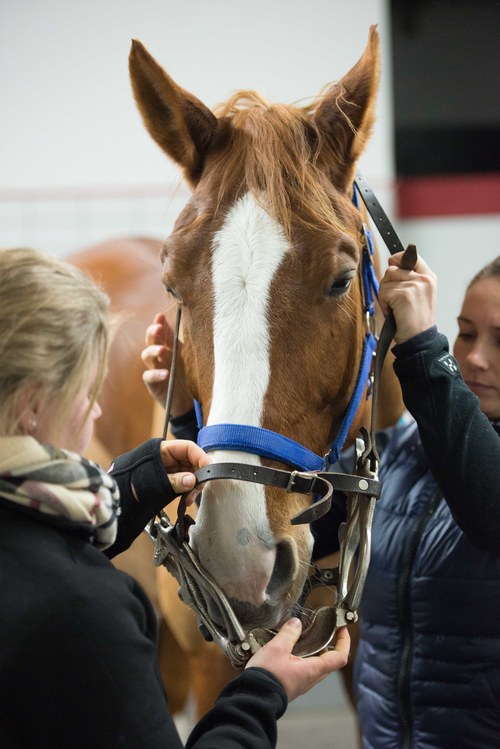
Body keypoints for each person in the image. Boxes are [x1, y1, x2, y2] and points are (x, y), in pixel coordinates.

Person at [143, 253, 500, 749]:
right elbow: (268, 524)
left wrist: (421, 350)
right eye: (464, 332)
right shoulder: (404, 458)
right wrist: (188, 418)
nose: (477, 357)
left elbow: (487, 506)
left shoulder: (450, 461)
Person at [0, 247, 350, 749]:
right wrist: (261, 690)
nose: (96, 412)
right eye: (86, 392)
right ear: (32, 405)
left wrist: (131, 486)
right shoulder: (84, 613)